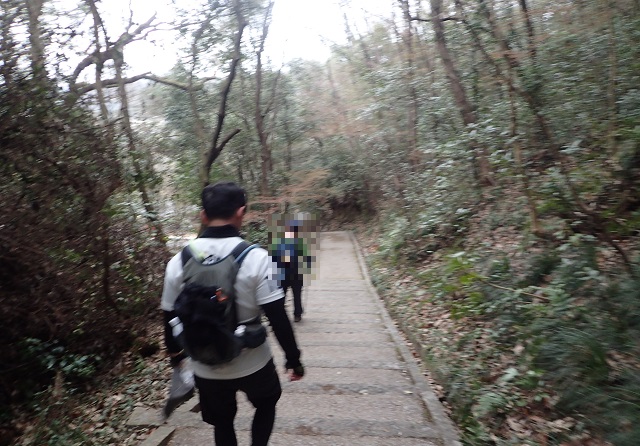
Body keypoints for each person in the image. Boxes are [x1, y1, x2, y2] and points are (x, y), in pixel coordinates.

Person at [161, 182, 304, 446]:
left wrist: (177, 359)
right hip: (254, 361)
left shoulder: (177, 261)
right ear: (242, 212)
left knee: (222, 421)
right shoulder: (258, 258)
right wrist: (293, 360)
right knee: (266, 404)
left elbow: (169, 318)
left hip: (205, 364)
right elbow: (277, 317)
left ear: (203, 215)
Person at [270, 221, 311, 322]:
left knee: (281, 296)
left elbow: (273, 259)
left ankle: (280, 316)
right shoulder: (301, 243)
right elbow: (307, 259)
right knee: (297, 295)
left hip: (283, 274)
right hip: (297, 274)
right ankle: (297, 314)